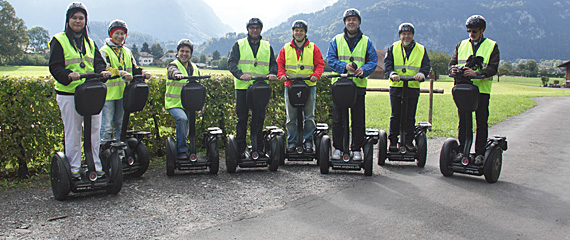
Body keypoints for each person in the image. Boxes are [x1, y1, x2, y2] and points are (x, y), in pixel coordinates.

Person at [48, 2, 111, 180]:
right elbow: (54, 66)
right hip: (69, 94)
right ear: (68, 20)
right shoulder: (59, 40)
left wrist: (102, 72)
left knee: (94, 130)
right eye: (74, 17)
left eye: (81, 18)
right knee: (73, 131)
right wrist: (68, 75)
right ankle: (74, 169)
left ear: (85, 21)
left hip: (90, 93)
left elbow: (98, 62)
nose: (78, 21)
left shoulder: (90, 42)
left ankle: (96, 166)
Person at [326, 8, 378, 161]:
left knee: (358, 119)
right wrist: (344, 66)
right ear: (345, 23)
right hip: (340, 86)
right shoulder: (336, 40)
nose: (351, 22)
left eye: (354, 19)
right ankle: (338, 148)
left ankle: (356, 149)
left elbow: (373, 61)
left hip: (358, 86)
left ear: (359, 22)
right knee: (338, 119)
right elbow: (330, 59)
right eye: (348, 20)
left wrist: (364, 69)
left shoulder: (366, 41)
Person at [448, 15, 500, 165]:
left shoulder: (492, 45)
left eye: (474, 31)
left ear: (482, 30)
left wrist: (476, 73)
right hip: (463, 90)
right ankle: (462, 151)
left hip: (481, 90)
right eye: (469, 31)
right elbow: (452, 63)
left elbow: (493, 68)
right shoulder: (461, 45)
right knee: (463, 122)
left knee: (481, 122)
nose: (471, 33)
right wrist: (453, 69)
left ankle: (480, 154)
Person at [228, 17, 278, 157]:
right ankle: (239, 151)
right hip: (243, 87)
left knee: (259, 118)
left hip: (260, 88)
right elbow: (231, 63)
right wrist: (240, 74)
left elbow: (273, 64)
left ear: (261, 29)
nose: (254, 30)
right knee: (242, 119)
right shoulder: (239, 44)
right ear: (248, 29)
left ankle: (257, 148)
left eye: (257, 28)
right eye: (251, 28)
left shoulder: (267, 46)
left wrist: (273, 73)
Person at [277, 20, 325, 153]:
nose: (298, 33)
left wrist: (316, 75)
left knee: (309, 116)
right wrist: (281, 75)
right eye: (296, 30)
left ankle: (308, 141)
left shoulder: (313, 48)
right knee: (291, 117)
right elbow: (279, 64)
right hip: (291, 85)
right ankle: (292, 142)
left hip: (309, 85)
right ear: (293, 32)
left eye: (301, 30)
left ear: (305, 32)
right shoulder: (286, 48)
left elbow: (320, 64)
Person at [99, 19, 151, 142]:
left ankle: (119, 152)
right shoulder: (104, 51)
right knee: (106, 127)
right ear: (111, 34)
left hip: (123, 93)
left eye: (122, 34)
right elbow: (103, 69)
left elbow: (134, 68)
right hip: (108, 95)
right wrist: (120, 73)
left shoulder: (127, 52)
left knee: (120, 125)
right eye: (117, 33)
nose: (120, 36)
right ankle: (104, 154)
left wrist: (143, 72)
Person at [384, 23, 431, 152]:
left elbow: (426, 65)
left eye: (409, 34)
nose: (406, 36)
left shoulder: (421, 49)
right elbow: (388, 64)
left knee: (410, 116)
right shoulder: (393, 48)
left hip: (412, 86)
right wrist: (392, 73)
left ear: (412, 35)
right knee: (395, 115)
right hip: (397, 86)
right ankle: (393, 141)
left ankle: (409, 141)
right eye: (404, 34)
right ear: (400, 35)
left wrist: (422, 74)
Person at [165, 39, 201, 160]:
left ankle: (192, 150)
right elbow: (171, 72)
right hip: (174, 103)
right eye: (182, 51)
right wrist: (176, 75)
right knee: (182, 119)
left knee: (190, 126)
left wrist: (201, 103)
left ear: (191, 54)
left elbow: (199, 87)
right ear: (177, 52)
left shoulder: (195, 68)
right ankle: (181, 152)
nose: (184, 54)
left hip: (190, 104)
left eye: (187, 51)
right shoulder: (173, 65)